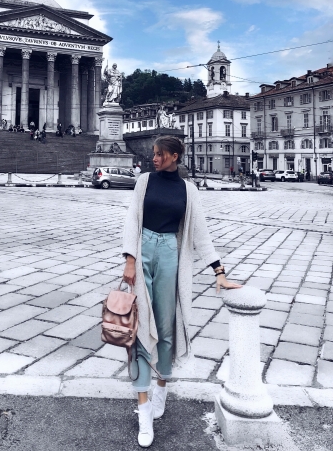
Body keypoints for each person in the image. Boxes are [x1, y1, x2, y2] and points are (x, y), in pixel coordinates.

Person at [122, 136, 241, 448]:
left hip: (170, 254)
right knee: (138, 330)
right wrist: (130, 259)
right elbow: (132, 219)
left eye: (160, 154)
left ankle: (161, 388)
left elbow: (200, 233)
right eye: (154, 154)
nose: (154, 159)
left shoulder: (189, 190)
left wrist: (219, 271)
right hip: (142, 250)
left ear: (175, 156)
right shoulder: (144, 182)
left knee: (166, 329)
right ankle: (144, 411)